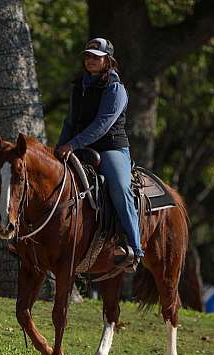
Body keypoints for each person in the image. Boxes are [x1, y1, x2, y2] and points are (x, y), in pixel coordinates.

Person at [54, 37, 143, 272]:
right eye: (88, 56)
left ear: (107, 61)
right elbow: (70, 121)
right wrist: (58, 148)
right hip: (80, 147)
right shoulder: (78, 86)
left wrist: (72, 145)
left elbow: (103, 125)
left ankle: (135, 248)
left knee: (119, 186)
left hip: (111, 148)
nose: (91, 60)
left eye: (97, 57)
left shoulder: (116, 88)